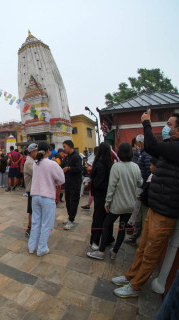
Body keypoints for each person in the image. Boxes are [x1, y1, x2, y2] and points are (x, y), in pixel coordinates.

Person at [111, 110, 179, 298]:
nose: (166, 128)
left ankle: (135, 286)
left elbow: (151, 146)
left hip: (166, 213)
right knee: (142, 248)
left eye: (170, 125)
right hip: (156, 207)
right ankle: (130, 276)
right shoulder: (171, 147)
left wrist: (147, 123)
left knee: (150, 253)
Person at [87, 142, 143, 261]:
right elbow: (140, 183)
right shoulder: (136, 166)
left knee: (106, 225)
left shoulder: (116, 167)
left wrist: (107, 203)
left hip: (117, 205)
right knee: (122, 228)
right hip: (130, 205)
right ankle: (114, 252)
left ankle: (101, 252)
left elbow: (111, 187)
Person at [28, 142, 65, 256]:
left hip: (35, 196)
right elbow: (62, 179)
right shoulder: (52, 164)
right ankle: (42, 248)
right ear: (49, 150)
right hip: (47, 197)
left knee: (35, 222)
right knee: (47, 224)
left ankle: (31, 246)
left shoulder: (35, 163)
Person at [88, 142, 113, 250]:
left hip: (106, 195)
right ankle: (95, 240)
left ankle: (107, 238)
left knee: (107, 219)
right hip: (100, 195)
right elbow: (97, 183)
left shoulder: (107, 163)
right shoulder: (100, 164)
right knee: (99, 218)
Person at [61, 140, 83, 230]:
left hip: (75, 184)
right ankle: (70, 217)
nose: (64, 149)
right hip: (68, 183)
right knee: (68, 202)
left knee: (73, 202)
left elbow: (79, 169)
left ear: (70, 146)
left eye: (65, 146)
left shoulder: (76, 157)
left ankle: (71, 220)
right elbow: (62, 166)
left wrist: (69, 169)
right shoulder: (67, 157)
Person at [24, 143, 38, 237]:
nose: (37, 153)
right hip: (31, 189)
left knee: (34, 210)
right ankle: (29, 228)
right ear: (32, 152)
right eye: (36, 151)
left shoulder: (33, 161)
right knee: (31, 210)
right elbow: (37, 172)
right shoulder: (28, 163)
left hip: (36, 189)